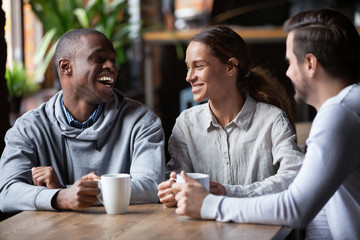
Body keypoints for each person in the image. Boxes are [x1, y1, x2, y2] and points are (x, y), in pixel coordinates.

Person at [172, 8, 360, 239]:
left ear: (310, 63)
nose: (288, 73)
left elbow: (296, 208)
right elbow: (321, 214)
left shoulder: (339, 114)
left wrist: (210, 204)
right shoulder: (345, 107)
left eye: (290, 62)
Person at [0, 29, 165, 212]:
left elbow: (151, 187)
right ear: (65, 67)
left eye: (113, 60)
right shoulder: (28, 128)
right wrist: (61, 198)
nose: (112, 66)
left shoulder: (142, 121)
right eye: (99, 59)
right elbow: (7, 193)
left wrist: (63, 191)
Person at [158, 26, 304, 208]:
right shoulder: (186, 123)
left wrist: (228, 193)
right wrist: (172, 190)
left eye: (199, 66)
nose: (189, 77)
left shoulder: (273, 120)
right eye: (188, 67)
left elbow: (295, 176)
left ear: (230, 67)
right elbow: (176, 177)